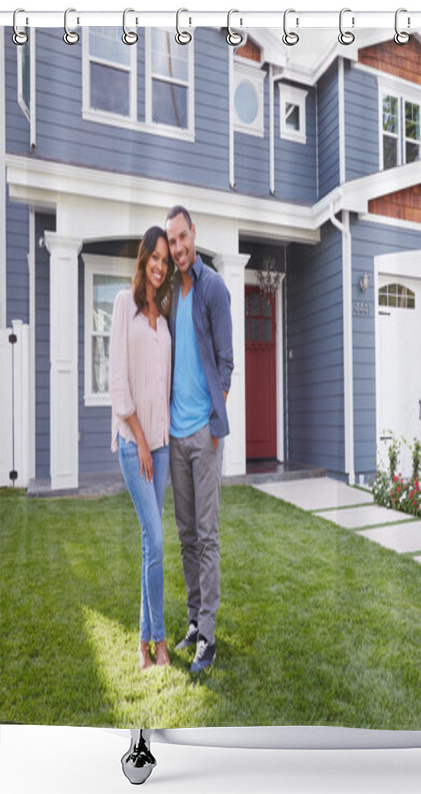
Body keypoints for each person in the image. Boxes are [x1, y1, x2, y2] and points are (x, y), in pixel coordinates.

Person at [166, 205, 233, 673]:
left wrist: (213, 423)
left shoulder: (214, 289)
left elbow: (226, 363)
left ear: (195, 235)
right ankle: (193, 619)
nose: (178, 247)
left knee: (207, 537)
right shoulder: (172, 291)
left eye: (183, 237)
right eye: (172, 242)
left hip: (203, 434)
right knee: (186, 536)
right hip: (174, 435)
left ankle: (208, 635)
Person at [109, 227, 174, 671]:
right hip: (135, 446)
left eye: (165, 260)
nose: (159, 265)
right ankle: (160, 642)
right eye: (154, 256)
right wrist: (141, 438)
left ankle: (141, 645)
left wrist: (161, 440)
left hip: (163, 445)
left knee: (150, 545)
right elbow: (118, 382)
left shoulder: (164, 318)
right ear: (142, 259)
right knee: (156, 538)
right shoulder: (122, 305)